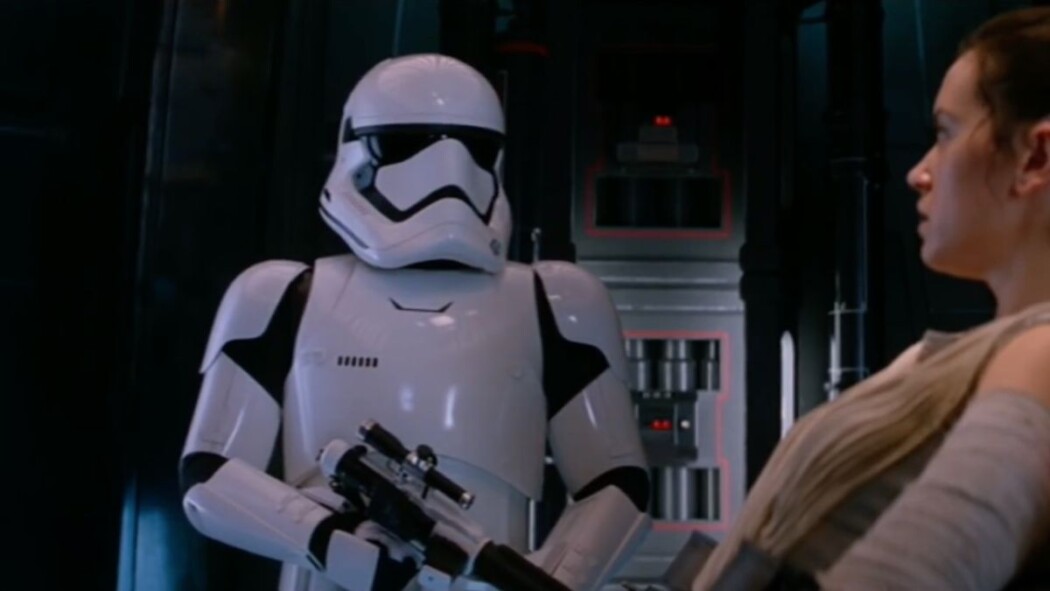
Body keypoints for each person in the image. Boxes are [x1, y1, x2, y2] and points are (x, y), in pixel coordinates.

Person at [177, 54, 652, 591]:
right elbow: (208, 475)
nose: (447, 171)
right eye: (407, 144)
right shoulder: (279, 295)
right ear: (357, 151)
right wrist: (328, 540)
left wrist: (549, 578)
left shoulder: (558, 300)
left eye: (474, 148)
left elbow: (617, 482)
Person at [689, 7, 1050, 590]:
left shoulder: (1041, 353)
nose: (919, 173)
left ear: (1035, 158)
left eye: (945, 133)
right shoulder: (963, 355)